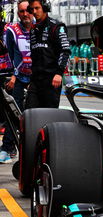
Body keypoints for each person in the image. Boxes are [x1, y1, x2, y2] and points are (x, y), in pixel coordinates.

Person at [0, 0, 33, 164]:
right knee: (13, 114)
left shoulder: (42, 27)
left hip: (38, 78)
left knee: (36, 115)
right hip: (18, 77)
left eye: (28, 10)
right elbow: (12, 56)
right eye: (21, 11)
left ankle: (37, 150)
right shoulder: (12, 30)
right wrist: (14, 75)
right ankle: (7, 148)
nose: (25, 14)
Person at [26, 0, 70, 109]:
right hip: (36, 80)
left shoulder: (57, 26)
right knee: (29, 113)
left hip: (51, 79)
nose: (34, 12)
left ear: (45, 8)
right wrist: (31, 80)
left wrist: (59, 73)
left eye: (37, 8)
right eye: (32, 9)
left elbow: (65, 51)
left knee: (49, 115)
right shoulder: (33, 29)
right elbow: (34, 56)